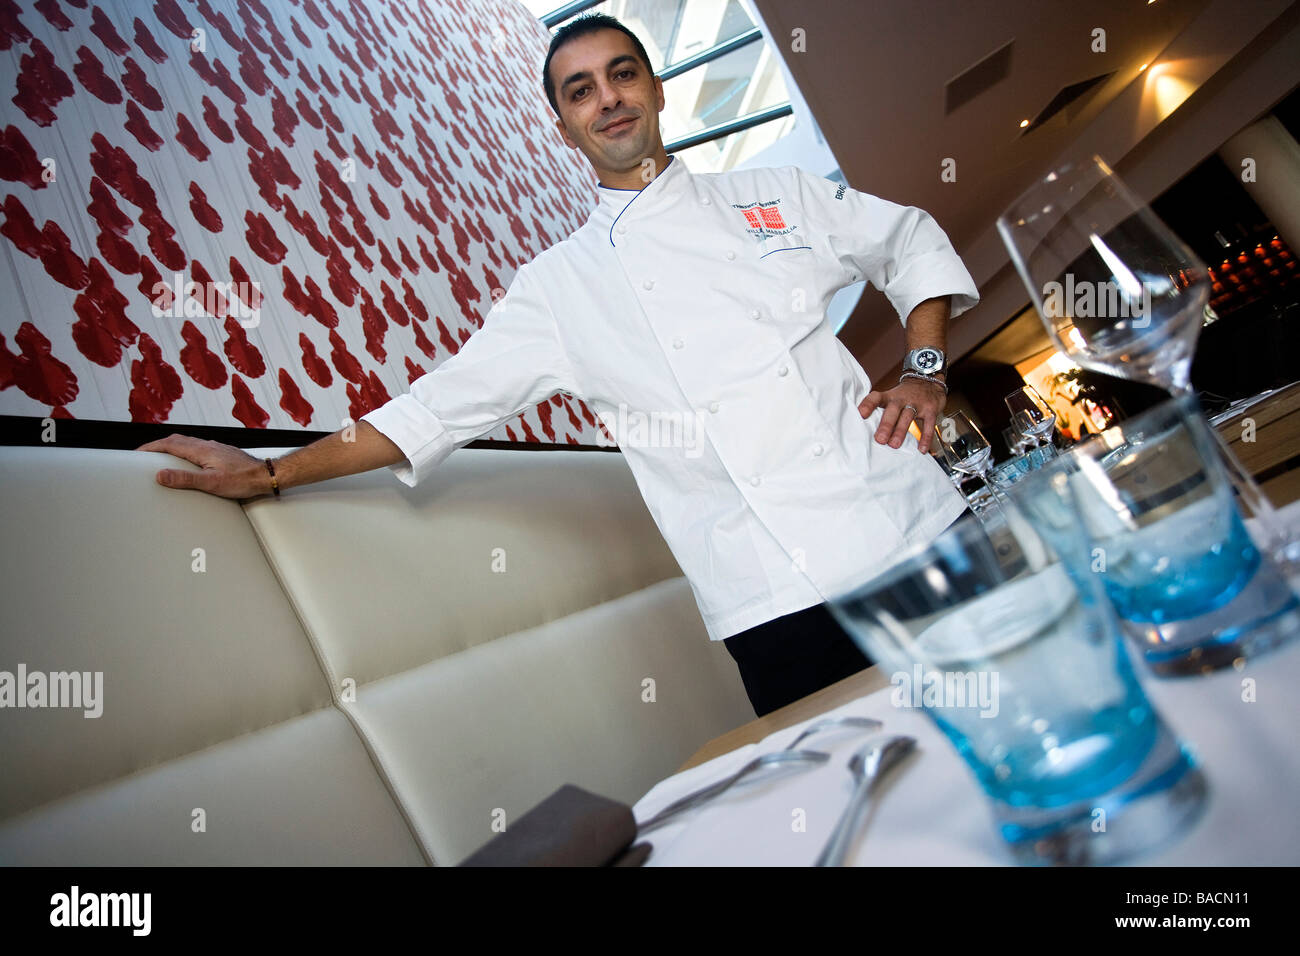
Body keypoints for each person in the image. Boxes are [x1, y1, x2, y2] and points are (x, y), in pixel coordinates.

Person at [137, 13, 979, 717]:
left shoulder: (777, 194)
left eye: (622, 75)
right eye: (581, 90)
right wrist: (277, 473)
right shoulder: (555, 289)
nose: (607, 99)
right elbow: (436, 409)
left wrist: (927, 369)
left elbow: (906, 244)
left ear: (656, 90)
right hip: (774, 601)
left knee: (1039, 724)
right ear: (562, 123)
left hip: (912, 525)